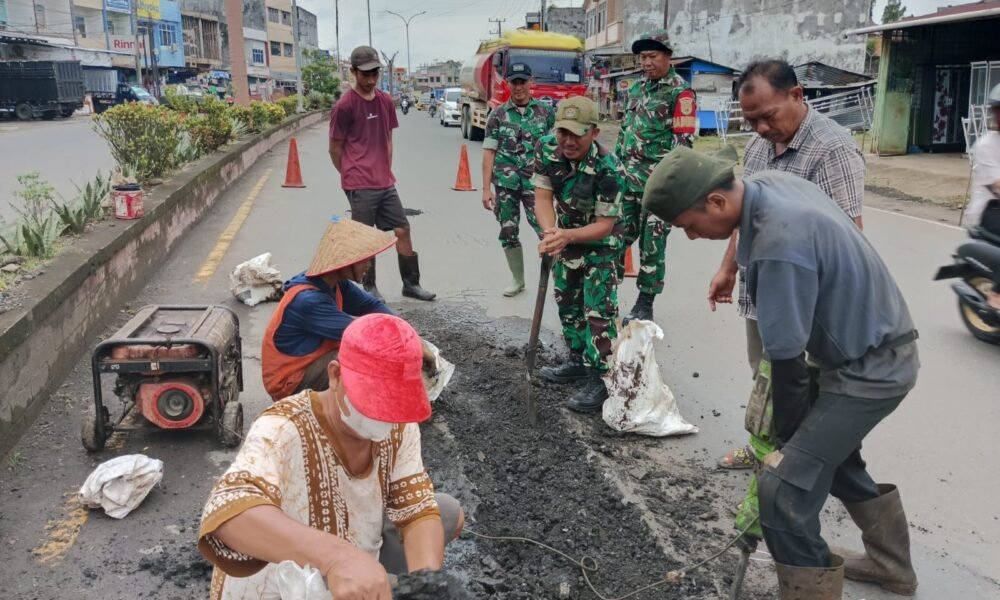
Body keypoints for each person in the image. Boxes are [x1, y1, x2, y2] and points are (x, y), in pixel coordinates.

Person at [644, 146, 920, 598]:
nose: (692, 237)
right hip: (867, 349)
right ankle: (892, 567)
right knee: (834, 458)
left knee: (783, 491)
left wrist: (781, 453)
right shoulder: (768, 187)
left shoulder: (777, 246)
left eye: (688, 227)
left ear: (716, 203)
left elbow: (787, 364)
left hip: (872, 370)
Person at [199, 313, 465, 600]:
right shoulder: (283, 427)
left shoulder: (398, 425)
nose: (384, 418)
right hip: (285, 580)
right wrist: (337, 558)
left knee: (446, 512)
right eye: (373, 402)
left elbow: (417, 508)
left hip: (351, 560)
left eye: (393, 405)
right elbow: (228, 509)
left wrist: (426, 585)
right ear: (336, 375)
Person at [711, 60, 867, 470]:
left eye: (767, 116)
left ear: (797, 95)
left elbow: (849, 235)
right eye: (751, 120)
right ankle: (765, 448)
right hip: (762, 285)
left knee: (809, 385)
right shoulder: (758, 146)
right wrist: (728, 268)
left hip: (808, 297)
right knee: (764, 375)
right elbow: (743, 217)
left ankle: (807, 465)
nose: (761, 128)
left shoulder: (832, 149)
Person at [533, 97, 625, 413]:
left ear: (595, 132)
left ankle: (601, 377)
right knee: (567, 298)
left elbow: (604, 225)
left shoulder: (608, 168)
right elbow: (542, 197)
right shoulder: (546, 150)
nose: (568, 141)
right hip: (567, 235)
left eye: (577, 134)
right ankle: (576, 360)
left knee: (598, 310)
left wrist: (564, 235)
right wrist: (550, 234)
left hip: (602, 243)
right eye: (563, 133)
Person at [329, 45, 435, 302]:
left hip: (384, 181)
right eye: (365, 74)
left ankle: (411, 284)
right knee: (366, 237)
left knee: (402, 229)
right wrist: (350, 177)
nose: (371, 79)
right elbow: (335, 148)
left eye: (375, 73)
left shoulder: (385, 101)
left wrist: (384, 168)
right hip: (359, 183)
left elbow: (387, 137)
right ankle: (369, 287)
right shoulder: (344, 106)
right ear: (354, 72)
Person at [261, 216, 398, 401]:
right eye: (364, 260)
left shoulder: (337, 283)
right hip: (290, 381)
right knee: (365, 356)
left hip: (312, 362)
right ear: (345, 262)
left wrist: (403, 329)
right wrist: (406, 344)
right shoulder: (309, 301)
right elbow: (362, 333)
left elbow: (371, 305)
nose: (368, 265)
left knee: (372, 349)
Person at [614, 29, 696, 323]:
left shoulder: (680, 92)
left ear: (667, 56)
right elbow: (624, 133)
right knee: (615, 237)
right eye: (643, 57)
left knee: (651, 246)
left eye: (652, 56)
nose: (646, 62)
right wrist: (614, 169)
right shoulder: (635, 89)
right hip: (627, 182)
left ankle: (644, 305)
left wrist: (674, 189)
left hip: (658, 187)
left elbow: (684, 145)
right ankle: (604, 293)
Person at [481, 62, 556, 297]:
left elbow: (556, 149)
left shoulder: (546, 113)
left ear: (530, 82)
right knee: (508, 231)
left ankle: (559, 280)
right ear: (508, 84)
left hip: (537, 185)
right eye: (514, 82)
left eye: (523, 81)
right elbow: (489, 152)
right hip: (506, 185)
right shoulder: (498, 115)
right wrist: (486, 189)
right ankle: (518, 279)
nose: (519, 87)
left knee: (548, 232)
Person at [968, 84, 1000, 311]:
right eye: (997, 110)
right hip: (990, 210)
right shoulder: (986, 145)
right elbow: (997, 187)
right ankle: (997, 294)